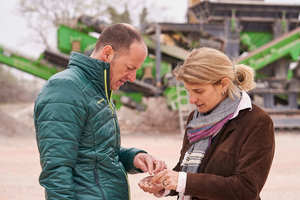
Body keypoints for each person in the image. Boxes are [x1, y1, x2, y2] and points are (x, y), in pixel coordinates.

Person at [34, 23, 166, 200]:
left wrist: (134, 158)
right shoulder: (65, 88)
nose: (132, 78)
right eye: (130, 68)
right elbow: (57, 170)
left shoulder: (98, 90)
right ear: (108, 53)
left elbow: (97, 153)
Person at [139, 47, 275, 200]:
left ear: (223, 84)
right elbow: (188, 170)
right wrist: (164, 183)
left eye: (198, 91)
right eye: (188, 91)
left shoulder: (257, 122)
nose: (191, 99)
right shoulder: (195, 118)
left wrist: (182, 181)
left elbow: (246, 189)